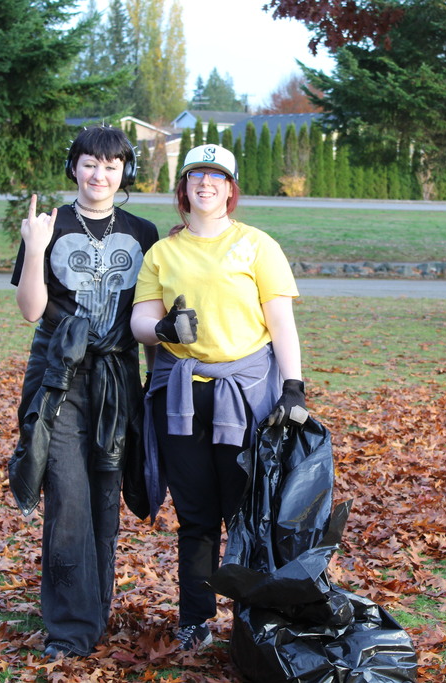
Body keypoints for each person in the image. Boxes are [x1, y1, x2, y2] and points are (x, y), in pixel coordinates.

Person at [131, 143, 307, 651]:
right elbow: (140, 321)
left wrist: (293, 387)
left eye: (216, 176)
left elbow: (281, 324)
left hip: (247, 396)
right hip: (181, 399)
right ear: (182, 189)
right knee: (197, 517)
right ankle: (195, 622)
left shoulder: (257, 245)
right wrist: (161, 327)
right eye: (195, 176)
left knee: (248, 515)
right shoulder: (163, 252)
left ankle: (253, 623)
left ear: (230, 190)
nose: (205, 184)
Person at [8, 126, 158, 661]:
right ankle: (70, 630)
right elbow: (30, 309)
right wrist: (34, 248)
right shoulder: (50, 225)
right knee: (67, 497)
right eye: (90, 163)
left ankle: (95, 612)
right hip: (60, 376)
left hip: (118, 379)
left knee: (103, 499)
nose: (100, 175)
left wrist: (156, 385)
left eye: (111, 165)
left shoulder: (144, 231)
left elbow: (149, 313)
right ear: (74, 166)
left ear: (125, 172)